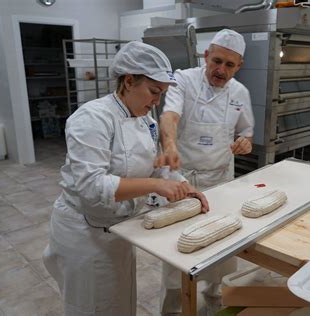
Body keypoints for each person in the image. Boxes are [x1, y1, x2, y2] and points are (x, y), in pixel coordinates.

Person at [42, 41, 209, 316]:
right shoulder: (92, 118)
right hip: (85, 232)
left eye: (162, 94)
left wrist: (181, 184)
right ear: (129, 81)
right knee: (91, 307)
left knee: (118, 303)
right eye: (154, 92)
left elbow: (155, 167)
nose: (157, 102)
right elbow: (92, 186)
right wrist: (157, 186)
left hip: (119, 229)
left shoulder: (146, 121)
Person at [156, 29, 255, 315]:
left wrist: (245, 143)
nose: (221, 70)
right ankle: (171, 309)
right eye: (217, 61)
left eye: (229, 65)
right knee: (176, 252)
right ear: (206, 56)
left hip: (221, 179)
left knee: (221, 245)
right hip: (184, 179)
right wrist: (170, 145)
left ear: (239, 66)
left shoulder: (240, 92)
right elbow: (169, 116)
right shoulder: (183, 80)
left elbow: (245, 133)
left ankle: (214, 302)